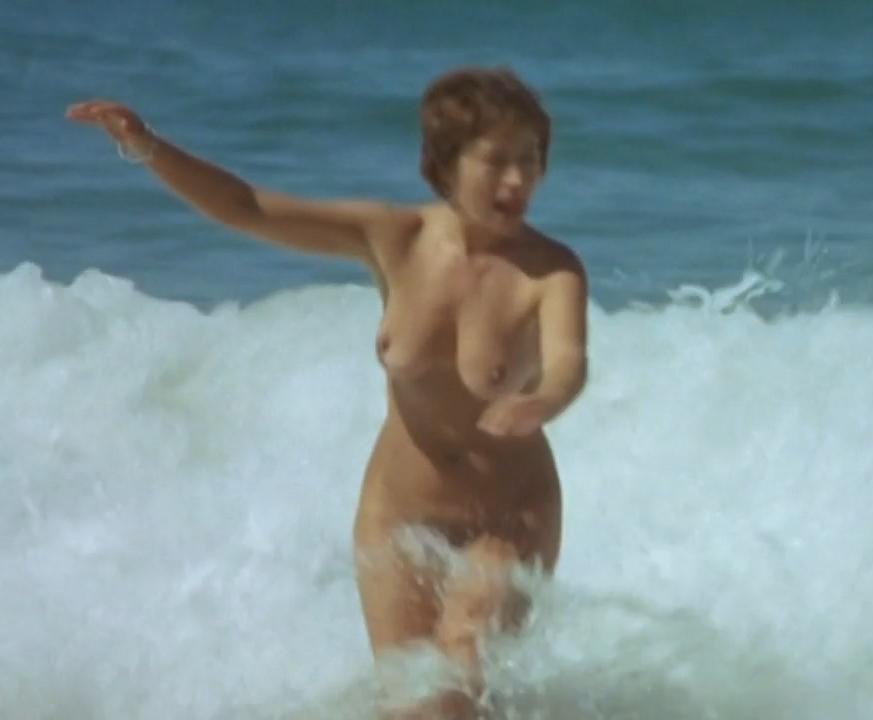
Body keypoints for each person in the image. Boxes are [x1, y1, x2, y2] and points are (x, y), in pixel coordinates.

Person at [67, 66, 588, 719]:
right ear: (447, 163)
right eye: (497, 160)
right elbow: (247, 207)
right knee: (413, 707)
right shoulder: (394, 238)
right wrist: (147, 147)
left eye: (530, 159)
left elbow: (568, 362)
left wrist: (543, 401)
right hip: (400, 512)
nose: (517, 180)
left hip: (509, 515)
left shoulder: (552, 270)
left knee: (459, 672)